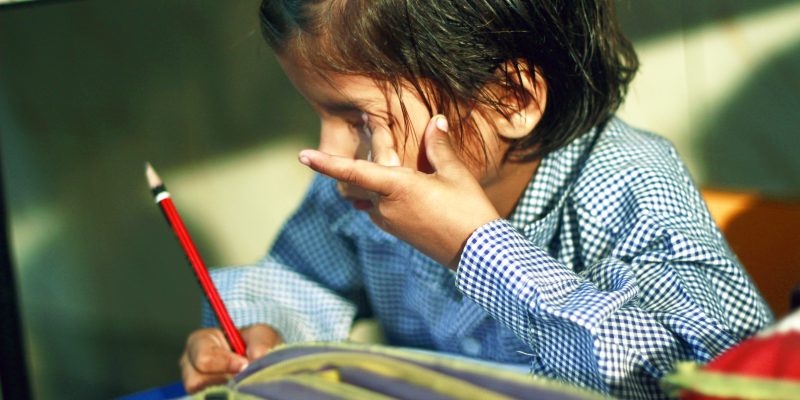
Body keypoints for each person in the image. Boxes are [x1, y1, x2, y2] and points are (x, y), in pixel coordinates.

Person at [179, 1, 773, 398]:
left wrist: (477, 247)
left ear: (508, 99)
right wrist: (260, 334)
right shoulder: (359, 183)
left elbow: (691, 379)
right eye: (318, 114)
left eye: (356, 116)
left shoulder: (628, 184)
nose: (330, 155)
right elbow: (300, 277)